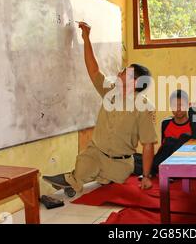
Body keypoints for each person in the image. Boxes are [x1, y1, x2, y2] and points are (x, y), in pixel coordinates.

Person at [43, 22, 158, 192]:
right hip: (95, 153)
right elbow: (94, 70)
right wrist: (86, 38)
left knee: (113, 185)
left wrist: (147, 177)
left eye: (125, 71)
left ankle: (80, 180)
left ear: (134, 82)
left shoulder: (144, 108)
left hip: (120, 163)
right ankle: (75, 179)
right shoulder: (109, 91)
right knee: (83, 166)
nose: (119, 73)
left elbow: (148, 144)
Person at [133, 89, 196, 176]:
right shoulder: (166, 123)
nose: (178, 109)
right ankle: (154, 168)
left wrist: (193, 111)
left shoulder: (195, 122)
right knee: (132, 157)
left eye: (181, 105)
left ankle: (154, 169)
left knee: (182, 138)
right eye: (174, 106)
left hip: (182, 162)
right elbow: (163, 147)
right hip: (162, 159)